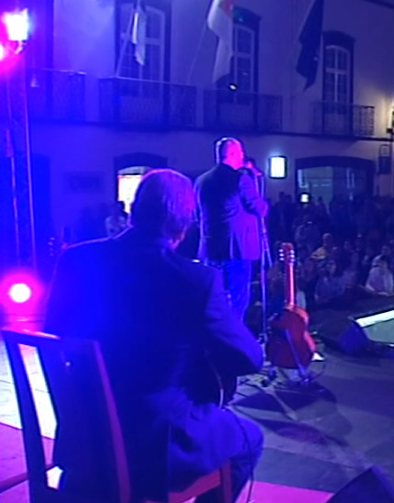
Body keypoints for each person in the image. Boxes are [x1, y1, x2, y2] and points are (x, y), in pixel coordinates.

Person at [44, 169, 264, 503]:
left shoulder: (75, 259)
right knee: (249, 437)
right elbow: (249, 358)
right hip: (154, 444)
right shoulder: (196, 280)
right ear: (186, 224)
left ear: (134, 210)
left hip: (82, 431)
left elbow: (55, 327)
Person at [195, 138, 269, 321]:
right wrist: (253, 177)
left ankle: (214, 342)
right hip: (237, 250)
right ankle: (233, 343)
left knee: (214, 300)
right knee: (237, 301)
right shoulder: (241, 179)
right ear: (235, 154)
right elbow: (260, 209)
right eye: (241, 153)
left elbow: (197, 215)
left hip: (210, 250)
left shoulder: (201, 181)